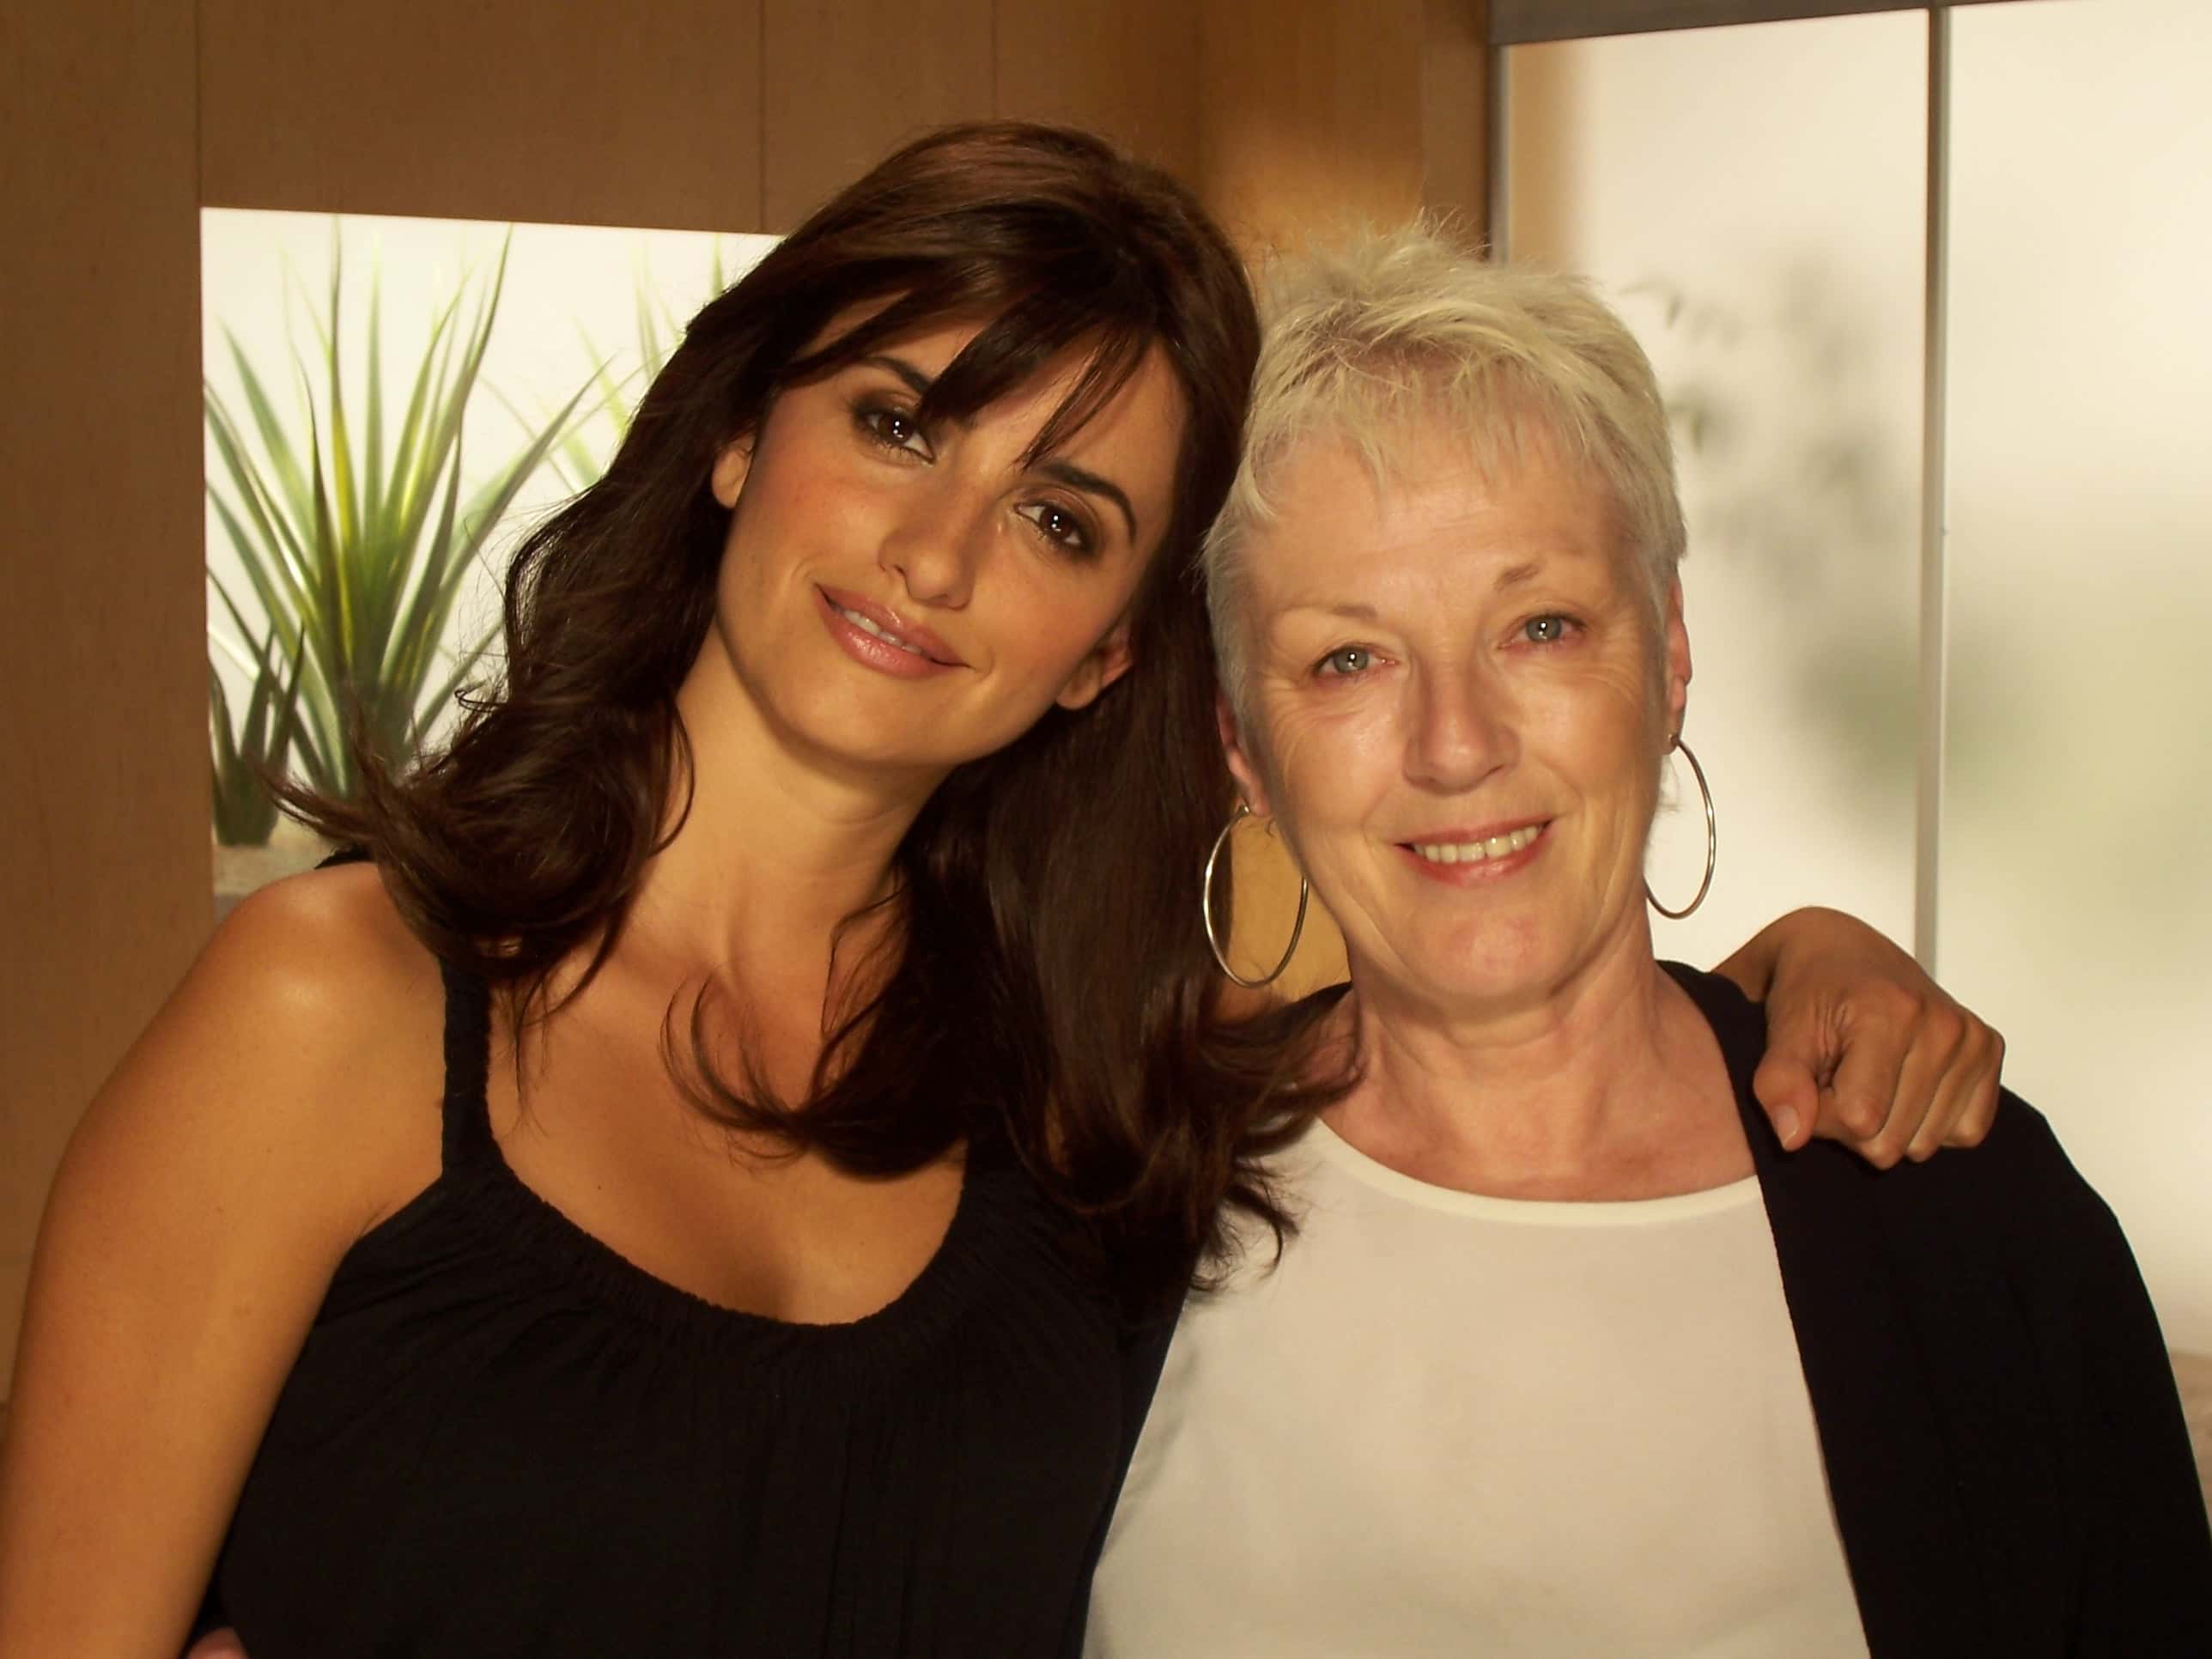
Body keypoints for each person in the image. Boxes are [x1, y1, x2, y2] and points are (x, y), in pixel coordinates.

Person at [0, 130, 1996, 1659]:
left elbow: (1504, 1015)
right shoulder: (327, 1005)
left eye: (1060, 519)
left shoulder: (1078, 1090)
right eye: (899, 422)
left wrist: (1802, 970)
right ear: (738, 439)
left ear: (1111, 651)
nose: (937, 554)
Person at [1085, 227, 2212, 1657]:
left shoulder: (1964, 1222)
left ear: (1669, 655)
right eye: (1349, 657)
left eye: (1541, 626)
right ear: (1241, 741)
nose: (1457, 745)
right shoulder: (1109, 1217)